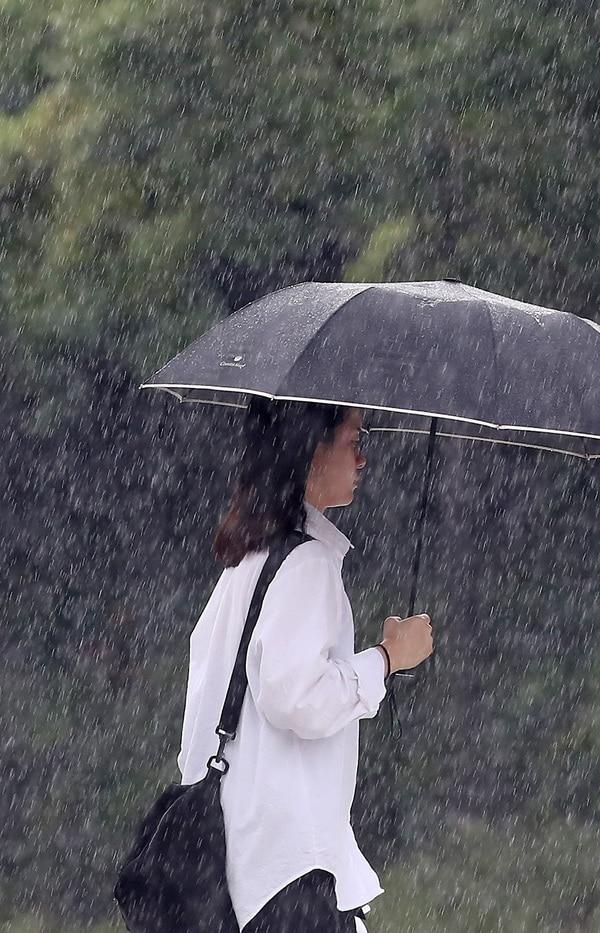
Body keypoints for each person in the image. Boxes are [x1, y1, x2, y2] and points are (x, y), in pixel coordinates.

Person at [176, 398, 434, 932]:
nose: (362, 461)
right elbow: (299, 699)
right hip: (286, 870)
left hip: (231, 862)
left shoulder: (249, 556)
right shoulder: (306, 563)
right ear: (312, 451)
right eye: (353, 442)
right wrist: (388, 658)